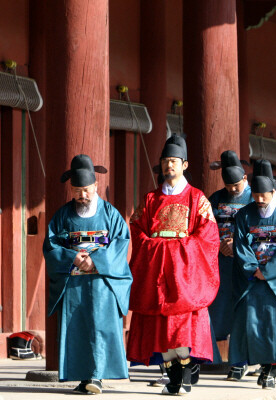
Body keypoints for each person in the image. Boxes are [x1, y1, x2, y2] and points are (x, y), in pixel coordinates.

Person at [126, 136, 220, 395]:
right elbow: (137, 229)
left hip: (184, 274)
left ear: (185, 165)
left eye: (174, 161)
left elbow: (209, 236)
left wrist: (179, 250)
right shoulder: (150, 199)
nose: (169, 166)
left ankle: (186, 375)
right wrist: (155, 247)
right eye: (166, 161)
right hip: (158, 271)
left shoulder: (197, 198)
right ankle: (174, 378)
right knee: (161, 330)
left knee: (182, 329)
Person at [43, 154, 133, 395]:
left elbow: (120, 243)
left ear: (95, 186)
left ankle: (97, 376)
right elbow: (51, 245)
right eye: (76, 191)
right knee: (77, 329)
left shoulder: (111, 215)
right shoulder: (63, 215)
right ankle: (83, 377)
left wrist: (96, 260)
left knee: (100, 327)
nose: (81, 195)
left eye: (85, 190)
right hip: (73, 283)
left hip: (101, 282)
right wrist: (72, 257)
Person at [228, 159, 276, 389]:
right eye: (256, 195)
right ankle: (260, 365)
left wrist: (267, 271)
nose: (259, 200)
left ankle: (273, 369)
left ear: (273, 191)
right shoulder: (244, 215)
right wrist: (253, 269)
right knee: (254, 325)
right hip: (252, 281)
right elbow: (240, 246)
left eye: (264, 196)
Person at [208, 150, 252, 367]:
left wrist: (237, 245)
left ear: (245, 178)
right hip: (220, 262)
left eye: (237, 185)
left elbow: (261, 229)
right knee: (218, 309)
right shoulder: (216, 198)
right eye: (229, 186)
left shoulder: (255, 197)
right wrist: (219, 245)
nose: (233, 190)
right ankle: (216, 359)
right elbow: (206, 227)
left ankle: (243, 359)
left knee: (244, 309)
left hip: (246, 263)